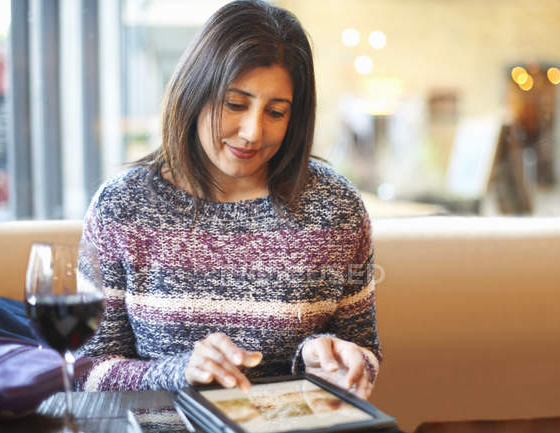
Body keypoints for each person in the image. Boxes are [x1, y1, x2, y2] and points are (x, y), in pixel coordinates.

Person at [78, 0, 380, 400]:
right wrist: (178, 371)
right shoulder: (121, 207)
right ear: (196, 91)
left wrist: (336, 361)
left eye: (276, 112)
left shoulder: (335, 208)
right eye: (235, 104)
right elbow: (85, 368)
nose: (253, 132)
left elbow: (366, 353)